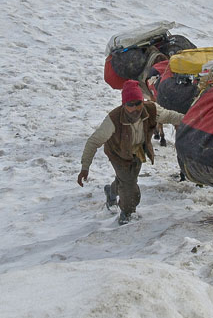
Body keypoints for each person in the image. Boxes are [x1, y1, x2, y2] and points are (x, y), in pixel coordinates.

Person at [77, 80, 185, 225]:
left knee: (126, 180)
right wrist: (85, 167)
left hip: (137, 151)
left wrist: (192, 120)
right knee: (131, 190)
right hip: (118, 154)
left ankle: (111, 191)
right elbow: (93, 142)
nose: (135, 108)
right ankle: (127, 214)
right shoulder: (113, 120)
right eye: (130, 105)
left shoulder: (151, 110)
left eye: (138, 103)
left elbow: (171, 116)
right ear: (124, 105)